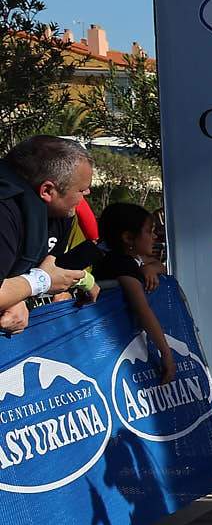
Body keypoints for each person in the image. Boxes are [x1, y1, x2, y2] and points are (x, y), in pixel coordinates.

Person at [0, 136, 94, 334]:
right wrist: (39, 283)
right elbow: (44, 277)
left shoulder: (61, 213)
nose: (88, 192)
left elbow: (51, 267)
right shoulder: (5, 211)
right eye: (81, 189)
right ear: (48, 190)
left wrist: (17, 297)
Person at [92, 202, 177, 382]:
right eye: (149, 231)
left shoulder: (128, 259)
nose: (154, 236)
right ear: (129, 238)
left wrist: (150, 268)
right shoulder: (120, 264)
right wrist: (166, 352)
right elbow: (142, 308)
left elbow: (160, 266)